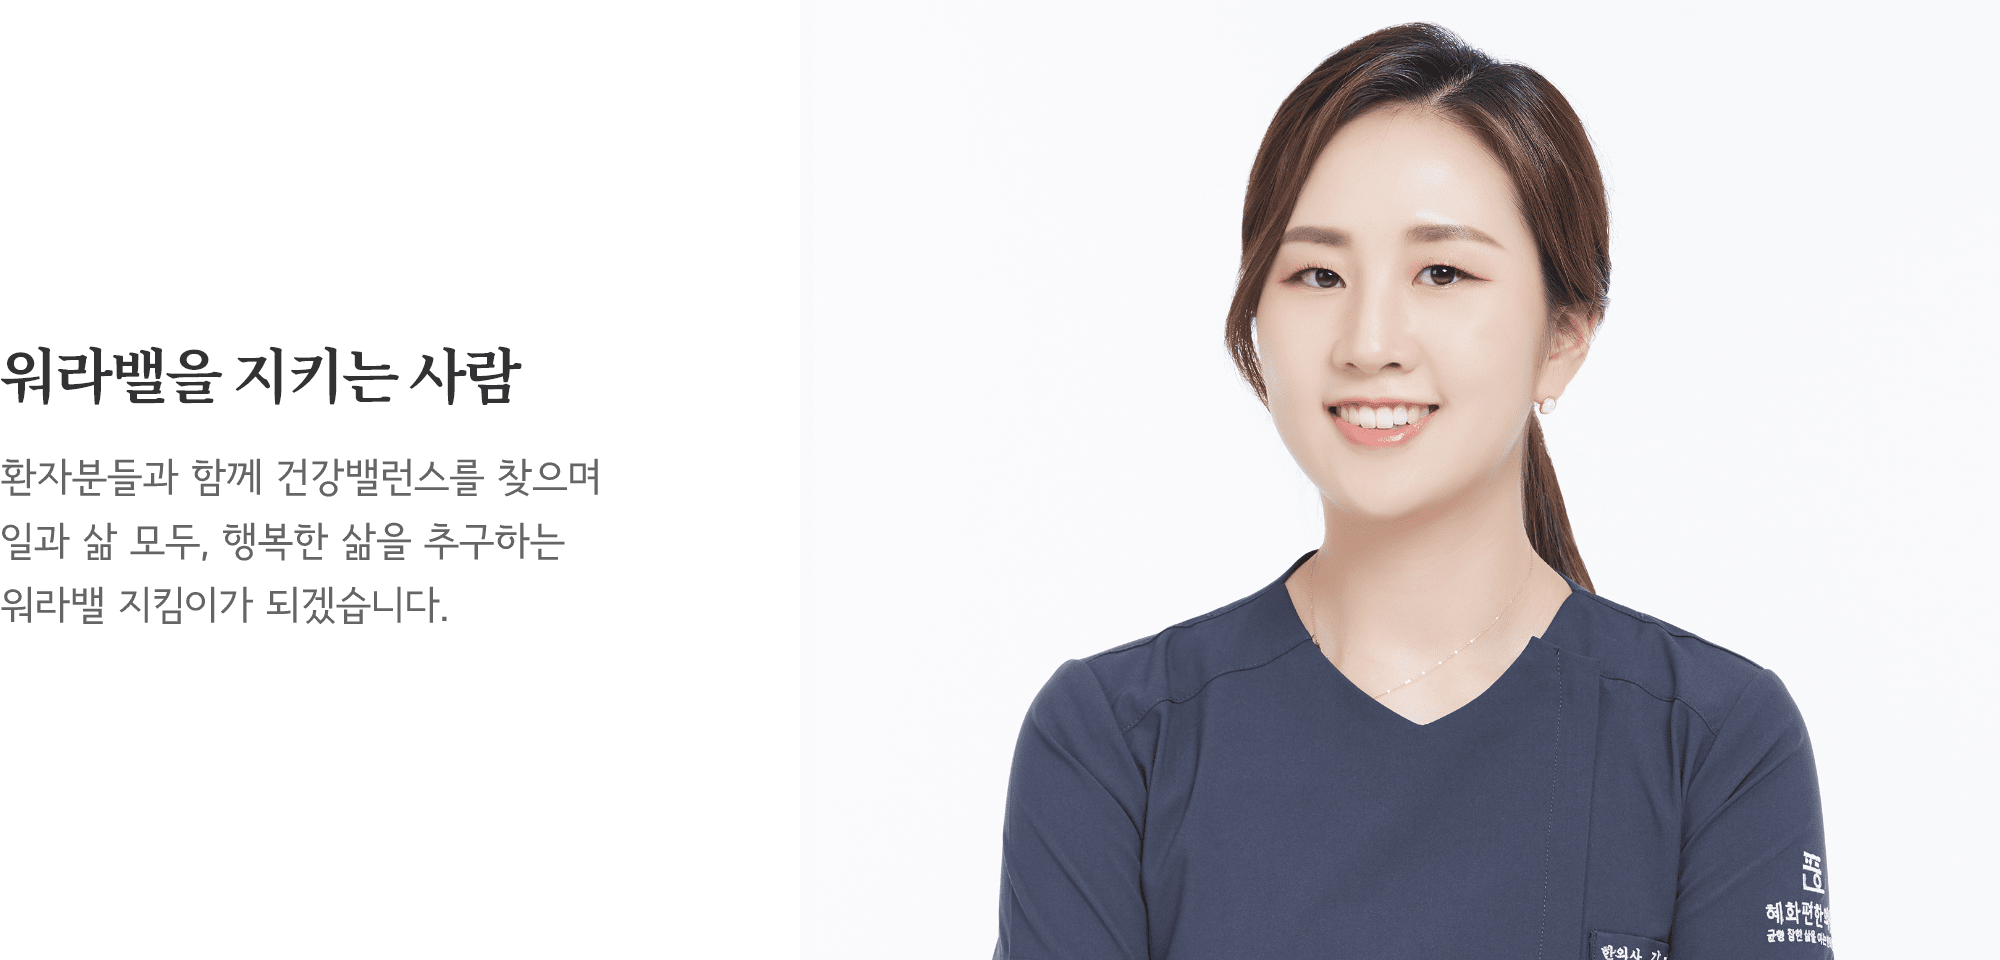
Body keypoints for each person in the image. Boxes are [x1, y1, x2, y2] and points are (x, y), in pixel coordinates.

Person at [992, 23, 1831, 959]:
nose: (1369, 341)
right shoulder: (1114, 742)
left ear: (1564, 334)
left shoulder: (1712, 741)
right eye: (1318, 274)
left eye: (1442, 272)